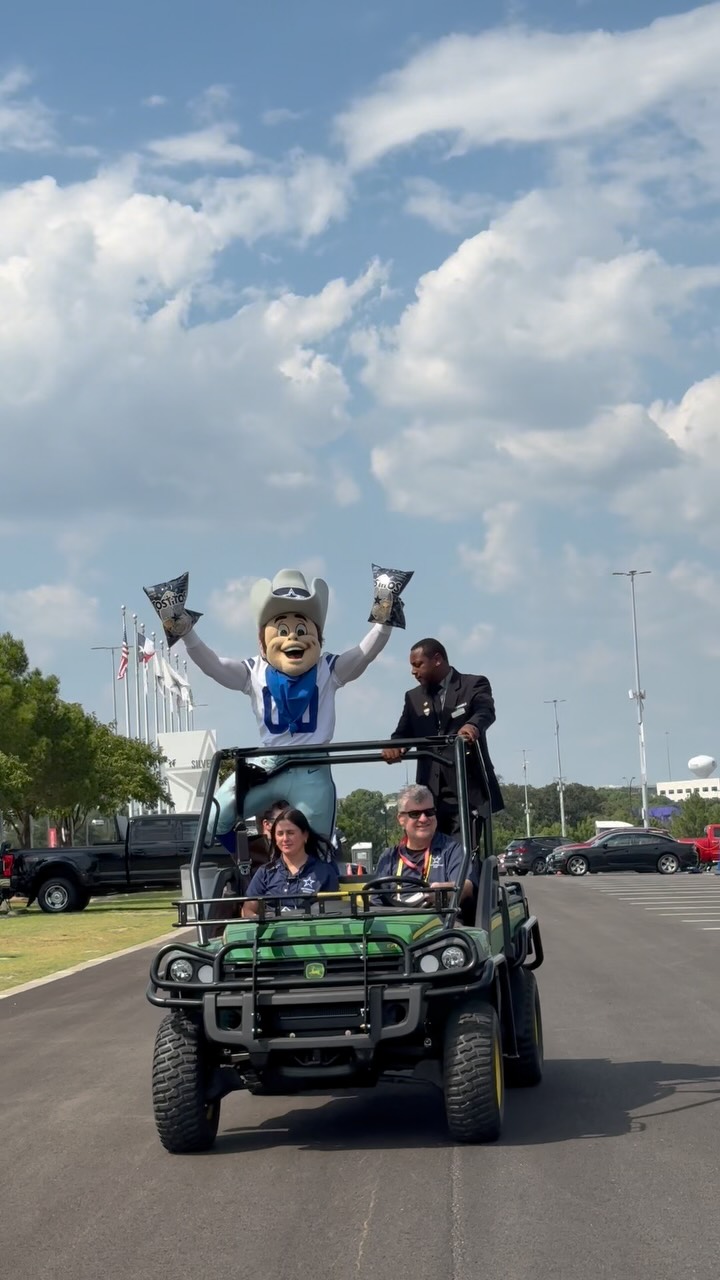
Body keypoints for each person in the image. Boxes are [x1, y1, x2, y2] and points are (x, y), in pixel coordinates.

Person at [382, 638, 503, 836]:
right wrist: (395, 747)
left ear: (437, 659)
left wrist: (472, 726)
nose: (413, 671)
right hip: (429, 800)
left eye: (418, 664)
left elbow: (485, 711)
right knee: (430, 860)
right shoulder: (413, 697)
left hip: (466, 794)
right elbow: (403, 733)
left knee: (462, 860)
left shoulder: (473, 684)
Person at [374, 785, 477, 905]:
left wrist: (442, 890)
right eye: (415, 814)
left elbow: (467, 886)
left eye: (429, 812)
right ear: (401, 819)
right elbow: (375, 903)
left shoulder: (452, 850)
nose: (423, 819)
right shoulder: (389, 857)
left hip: (442, 920)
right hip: (397, 920)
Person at [241, 808, 340, 917]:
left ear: (305, 835)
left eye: (290, 833)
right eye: (280, 834)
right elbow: (248, 909)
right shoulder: (265, 872)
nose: (285, 839)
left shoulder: (325, 872)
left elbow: (333, 913)